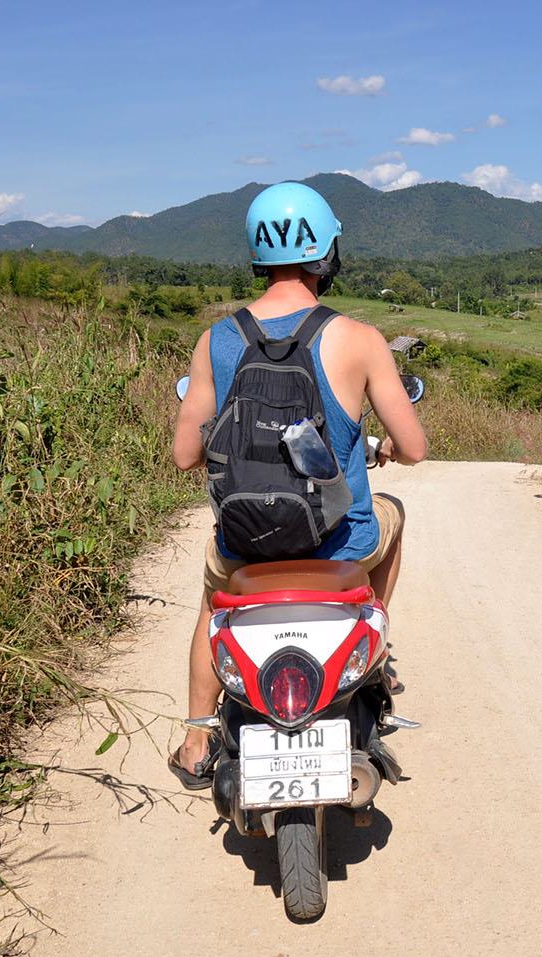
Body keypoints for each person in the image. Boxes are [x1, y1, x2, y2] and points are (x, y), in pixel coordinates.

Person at [168, 181, 427, 783]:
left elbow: (185, 455)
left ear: (259, 253)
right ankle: (372, 650)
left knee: (215, 607)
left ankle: (195, 739)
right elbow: (412, 447)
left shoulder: (217, 339)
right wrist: (381, 445)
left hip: (247, 548)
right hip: (341, 546)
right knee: (392, 512)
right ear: (326, 253)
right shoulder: (359, 339)